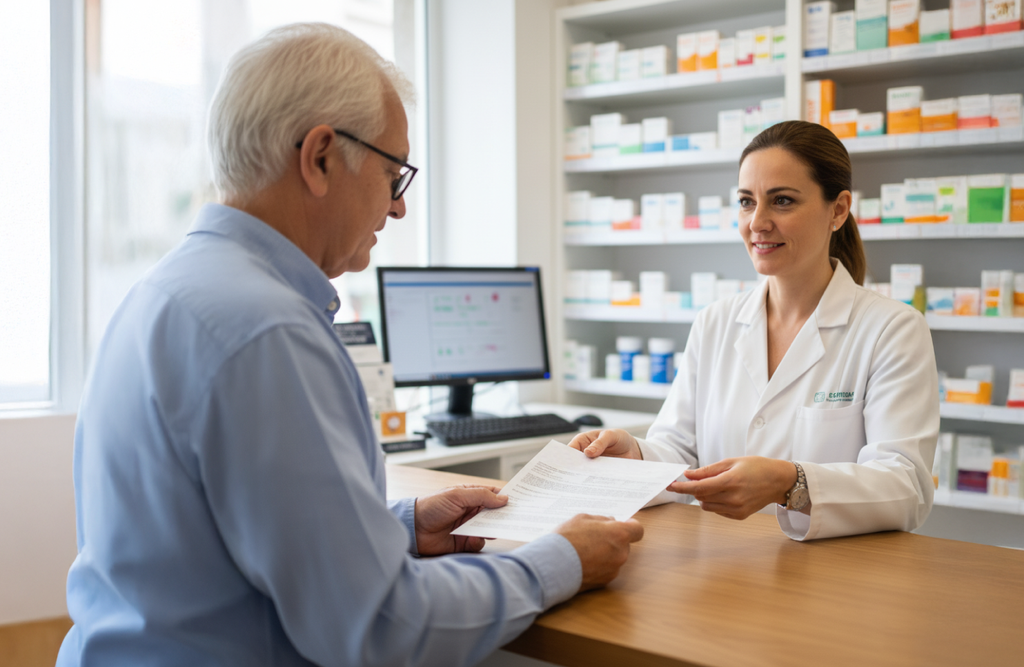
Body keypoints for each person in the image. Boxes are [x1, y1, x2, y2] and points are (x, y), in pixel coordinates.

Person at [57, 23, 643, 667]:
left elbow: (210, 542)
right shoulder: (267, 330)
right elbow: (377, 626)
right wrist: (560, 561)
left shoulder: (166, 292)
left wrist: (402, 526)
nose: (397, 210)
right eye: (395, 175)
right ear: (320, 157)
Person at [571, 120, 939, 542]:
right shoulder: (715, 322)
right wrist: (633, 454)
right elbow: (678, 452)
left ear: (838, 210)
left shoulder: (891, 329)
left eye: (782, 201)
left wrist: (792, 484)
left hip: (833, 578)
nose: (758, 223)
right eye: (747, 202)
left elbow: (906, 487)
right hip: (719, 569)